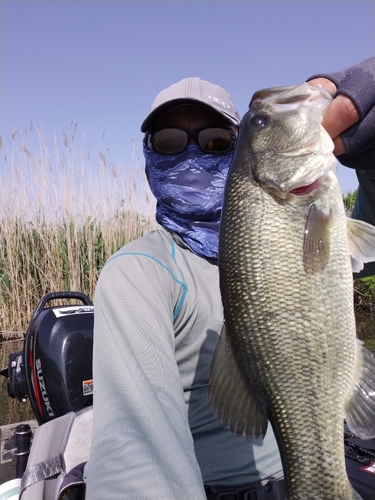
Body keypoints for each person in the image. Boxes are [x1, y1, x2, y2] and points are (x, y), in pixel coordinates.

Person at [84, 58, 375, 500]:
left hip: (326, 453)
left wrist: (372, 169)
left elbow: (363, 254)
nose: (193, 154)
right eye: (169, 141)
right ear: (148, 156)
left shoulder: (303, 212)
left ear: (238, 154)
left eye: (217, 141)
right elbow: (135, 453)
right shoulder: (138, 272)